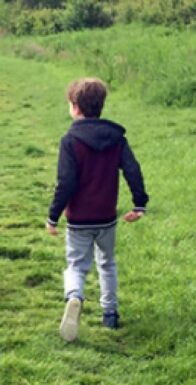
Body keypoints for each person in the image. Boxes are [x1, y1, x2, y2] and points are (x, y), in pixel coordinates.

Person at [45, 77, 148, 343]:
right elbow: (133, 170)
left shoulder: (70, 140)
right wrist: (139, 204)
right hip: (106, 217)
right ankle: (110, 313)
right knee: (107, 263)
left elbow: (65, 182)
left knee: (77, 265)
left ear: (75, 106)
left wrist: (52, 216)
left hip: (79, 218)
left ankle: (75, 297)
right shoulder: (117, 138)